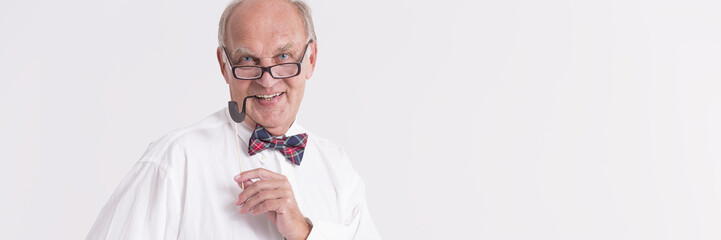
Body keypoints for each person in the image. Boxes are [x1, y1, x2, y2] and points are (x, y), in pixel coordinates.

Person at [86, 0, 381, 239]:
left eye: (283, 57)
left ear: (311, 59)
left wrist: (304, 232)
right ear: (224, 66)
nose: (267, 82)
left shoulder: (338, 169)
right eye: (248, 60)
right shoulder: (175, 160)